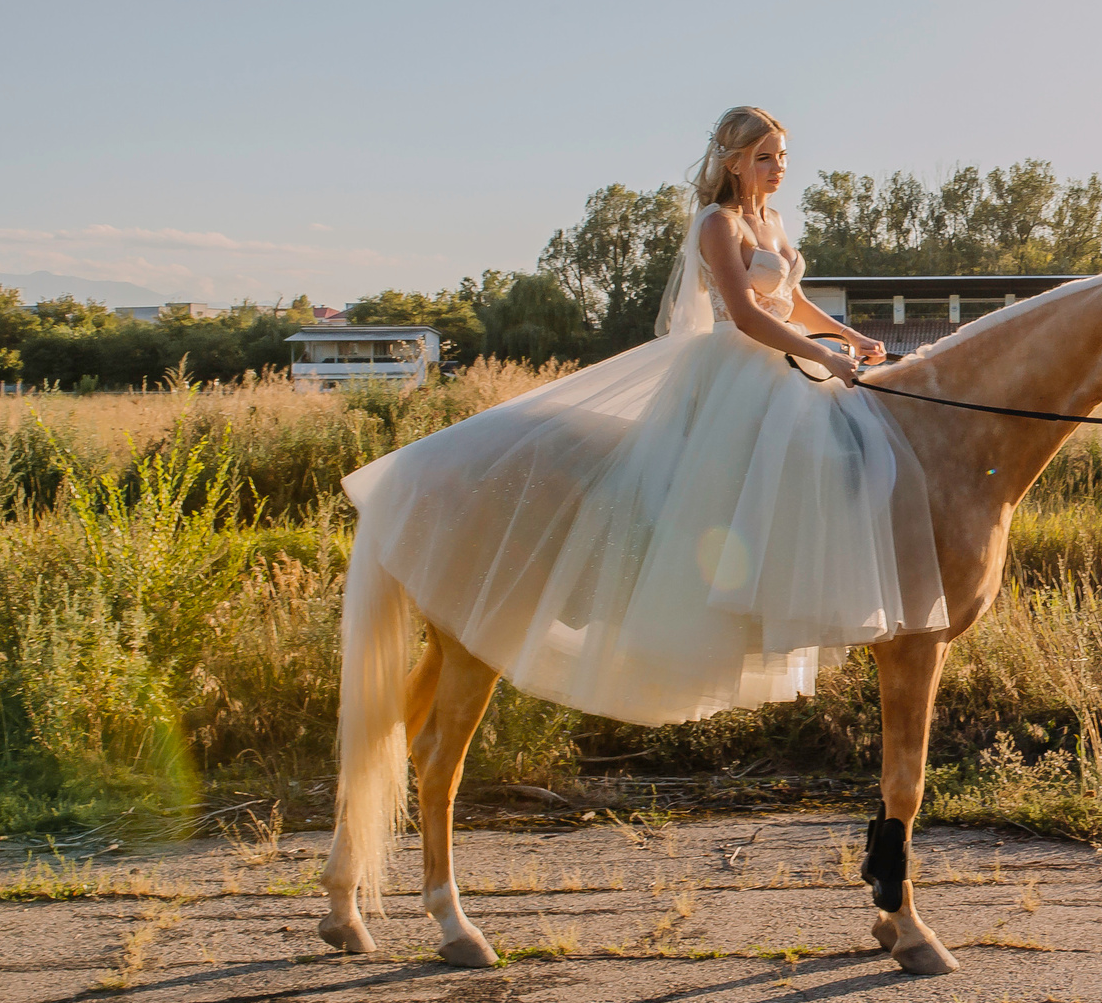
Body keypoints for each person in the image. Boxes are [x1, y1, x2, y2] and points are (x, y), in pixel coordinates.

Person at [340, 106, 946, 725]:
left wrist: (852, 337)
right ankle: (715, 593)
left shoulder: (774, 220)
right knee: (753, 467)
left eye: (783, 156)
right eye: (764, 156)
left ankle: (793, 591)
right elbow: (744, 313)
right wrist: (823, 356)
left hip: (786, 359)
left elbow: (791, 301)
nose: (778, 168)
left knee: (836, 456)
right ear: (732, 161)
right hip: (739, 366)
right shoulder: (719, 223)